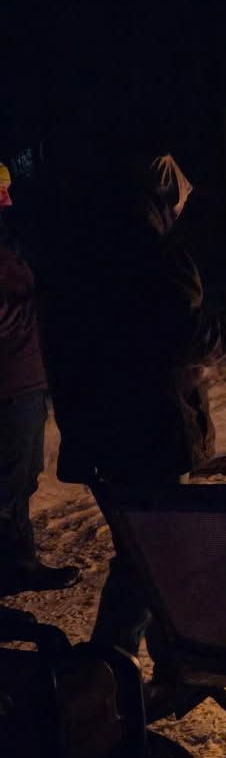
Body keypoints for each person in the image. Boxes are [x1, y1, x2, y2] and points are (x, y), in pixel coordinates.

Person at [42, 153, 226, 677]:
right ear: (160, 202)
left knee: (145, 549)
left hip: (96, 430)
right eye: (176, 203)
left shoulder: (74, 257)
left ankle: (167, 660)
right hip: (150, 431)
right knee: (150, 555)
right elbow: (182, 338)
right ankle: (106, 674)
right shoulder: (157, 257)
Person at [0, 161, 79, 596]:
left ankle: (18, 562)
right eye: (1, 192)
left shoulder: (9, 245)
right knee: (10, 480)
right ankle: (15, 567)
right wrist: (39, 307)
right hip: (9, 382)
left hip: (21, 377)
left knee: (20, 475)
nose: (8, 200)